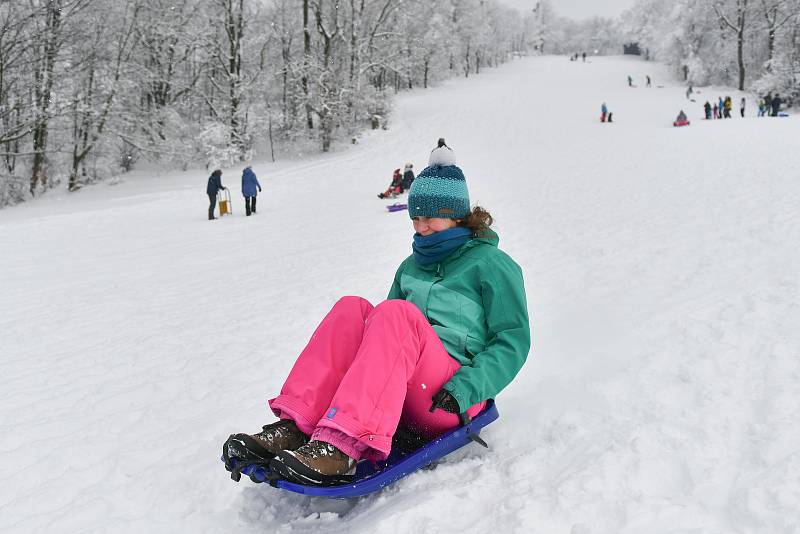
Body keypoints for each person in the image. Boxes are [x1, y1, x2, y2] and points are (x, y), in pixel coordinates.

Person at [222, 142, 531, 486]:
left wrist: (465, 388)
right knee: (352, 309)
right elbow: (382, 343)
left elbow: (511, 341)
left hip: (452, 397)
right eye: (415, 217)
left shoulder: (492, 266)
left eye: (430, 217)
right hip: (409, 395)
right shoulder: (410, 267)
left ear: (457, 214)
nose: (420, 226)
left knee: (396, 313)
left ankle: (342, 445)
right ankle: (298, 426)